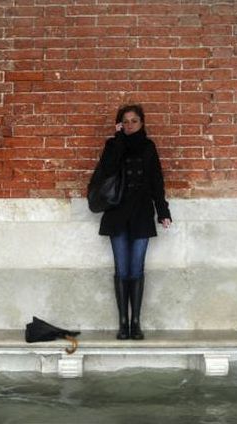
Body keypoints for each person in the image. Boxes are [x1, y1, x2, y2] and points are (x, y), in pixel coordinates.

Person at [90, 104, 172, 340]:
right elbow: (106, 170)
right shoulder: (113, 144)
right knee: (122, 270)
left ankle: (135, 322)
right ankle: (122, 323)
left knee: (136, 269)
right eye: (125, 122)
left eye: (134, 121)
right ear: (119, 124)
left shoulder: (148, 147)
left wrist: (163, 211)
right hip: (117, 215)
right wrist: (117, 139)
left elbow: (157, 180)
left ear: (142, 123)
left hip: (142, 214)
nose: (129, 125)